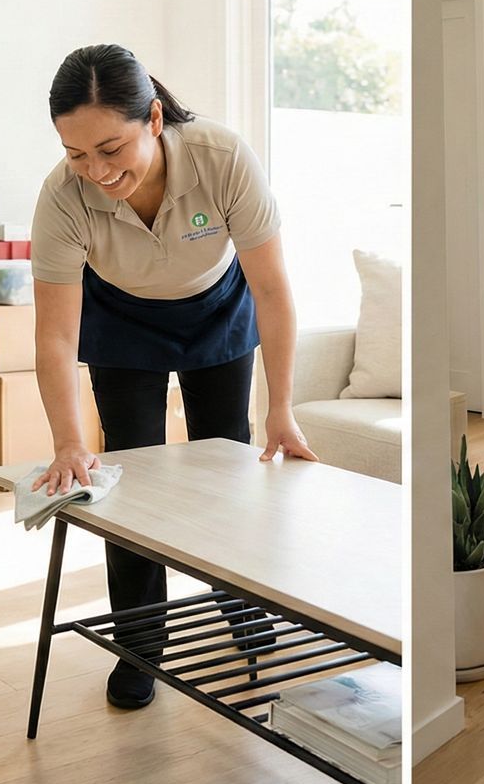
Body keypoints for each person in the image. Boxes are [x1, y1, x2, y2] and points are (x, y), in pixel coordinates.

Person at [28, 43, 317, 710]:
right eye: (77, 154)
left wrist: (283, 408)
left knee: (228, 474)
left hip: (218, 311)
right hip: (122, 324)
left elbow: (273, 290)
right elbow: (54, 334)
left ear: (154, 118)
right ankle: (140, 644)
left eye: (111, 147)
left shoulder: (221, 157)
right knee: (131, 487)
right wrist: (69, 441)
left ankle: (240, 606)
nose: (96, 170)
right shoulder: (62, 197)